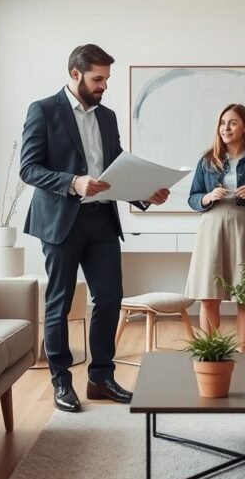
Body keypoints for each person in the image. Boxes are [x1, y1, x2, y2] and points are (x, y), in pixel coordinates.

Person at [20, 44, 170, 413]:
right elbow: (28, 168)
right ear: (75, 74)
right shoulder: (43, 110)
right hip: (61, 221)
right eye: (97, 79)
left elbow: (116, 169)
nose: (104, 86)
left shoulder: (107, 116)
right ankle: (61, 382)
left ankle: (101, 377)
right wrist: (74, 182)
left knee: (109, 298)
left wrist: (145, 194)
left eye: (106, 79)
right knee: (60, 301)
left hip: (102, 220)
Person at [185, 103, 245, 352]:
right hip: (212, 228)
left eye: (232, 122)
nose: (225, 128)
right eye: (222, 123)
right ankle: (212, 351)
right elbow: (193, 197)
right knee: (209, 295)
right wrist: (207, 197)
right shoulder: (207, 160)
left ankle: (242, 352)